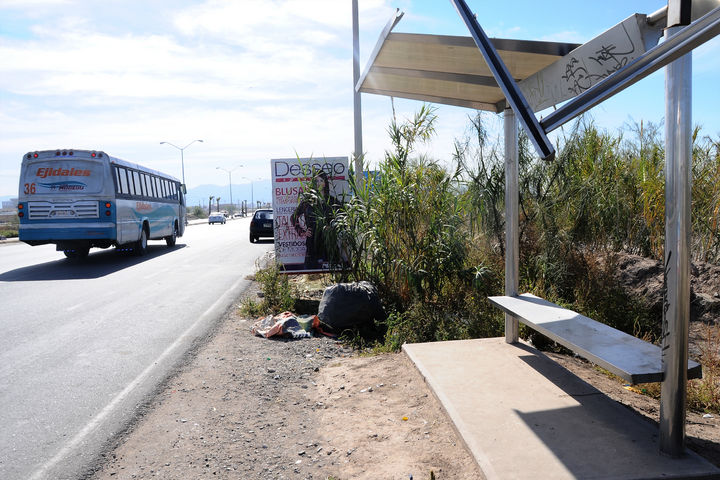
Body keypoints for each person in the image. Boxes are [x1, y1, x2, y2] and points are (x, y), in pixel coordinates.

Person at [290, 171, 340, 270]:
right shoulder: (308, 201)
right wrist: (302, 231)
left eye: (321, 180)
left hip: (329, 241)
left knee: (332, 271)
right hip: (313, 242)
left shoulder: (332, 200)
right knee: (311, 270)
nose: (319, 183)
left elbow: (343, 216)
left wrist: (333, 227)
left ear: (325, 183)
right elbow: (293, 217)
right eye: (316, 181)